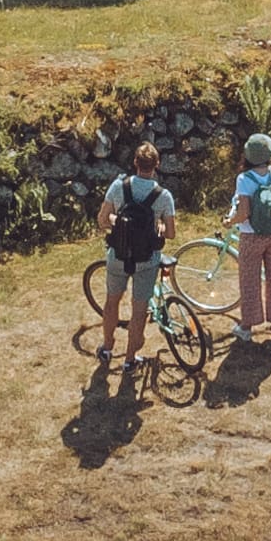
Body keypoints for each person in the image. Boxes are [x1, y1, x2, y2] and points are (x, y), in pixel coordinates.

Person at [93, 141, 175, 379]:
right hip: (146, 261)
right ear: (157, 165)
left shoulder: (118, 187)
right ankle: (130, 360)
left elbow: (102, 220)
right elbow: (170, 233)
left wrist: (116, 221)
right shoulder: (163, 196)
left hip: (118, 256)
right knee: (139, 310)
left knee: (112, 302)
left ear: (135, 164)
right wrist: (158, 227)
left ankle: (107, 348)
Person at [231, 131, 271, 344]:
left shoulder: (244, 179)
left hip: (251, 237)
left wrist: (228, 222)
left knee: (249, 281)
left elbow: (244, 213)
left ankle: (247, 327)